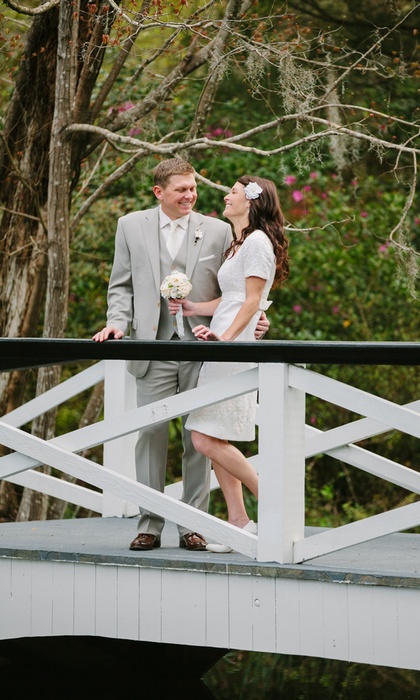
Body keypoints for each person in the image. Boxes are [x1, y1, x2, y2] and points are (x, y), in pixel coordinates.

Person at [92, 159, 269, 552]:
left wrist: (260, 319)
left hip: (202, 352)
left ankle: (194, 524)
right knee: (151, 436)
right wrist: (117, 324)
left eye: (193, 188)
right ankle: (149, 524)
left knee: (199, 439)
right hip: (150, 349)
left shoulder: (220, 229)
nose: (190, 195)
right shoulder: (130, 226)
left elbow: (243, 285)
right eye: (181, 190)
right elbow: (120, 286)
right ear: (159, 193)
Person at [169, 175, 289, 553]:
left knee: (203, 437)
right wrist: (192, 308)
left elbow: (253, 302)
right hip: (222, 345)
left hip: (231, 349)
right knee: (213, 435)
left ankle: (273, 500)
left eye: (233, 193)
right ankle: (239, 523)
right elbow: (231, 299)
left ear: (251, 202)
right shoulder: (240, 243)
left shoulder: (256, 243)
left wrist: (226, 338)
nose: (225, 196)